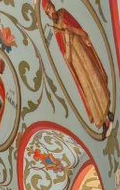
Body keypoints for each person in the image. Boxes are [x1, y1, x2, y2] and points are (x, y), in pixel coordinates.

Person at [41, 0, 113, 134]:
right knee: (87, 86)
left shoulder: (63, 13)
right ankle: (101, 120)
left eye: (50, 7)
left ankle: (107, 111)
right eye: (48, 11)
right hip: (75, 60)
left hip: (81, 49)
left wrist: (69, 29)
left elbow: (78, 28)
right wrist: (67, 43)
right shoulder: (55, 29)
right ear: (47, 14)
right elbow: (65, 54)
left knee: (94, 76)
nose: (51, 11)